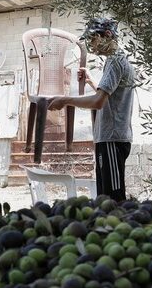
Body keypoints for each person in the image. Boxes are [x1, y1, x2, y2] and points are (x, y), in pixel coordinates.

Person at [47, 18, 135, 201]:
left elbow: (98, 102)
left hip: (112, 138)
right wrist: (91, 81)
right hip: (113, 137)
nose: (91, 45)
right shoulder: (118, 59)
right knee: (105, 196)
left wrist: (65, 100)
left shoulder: (114, 61)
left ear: (108, 35)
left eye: (93, 38)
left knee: (113, 199)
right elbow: (108, 96)